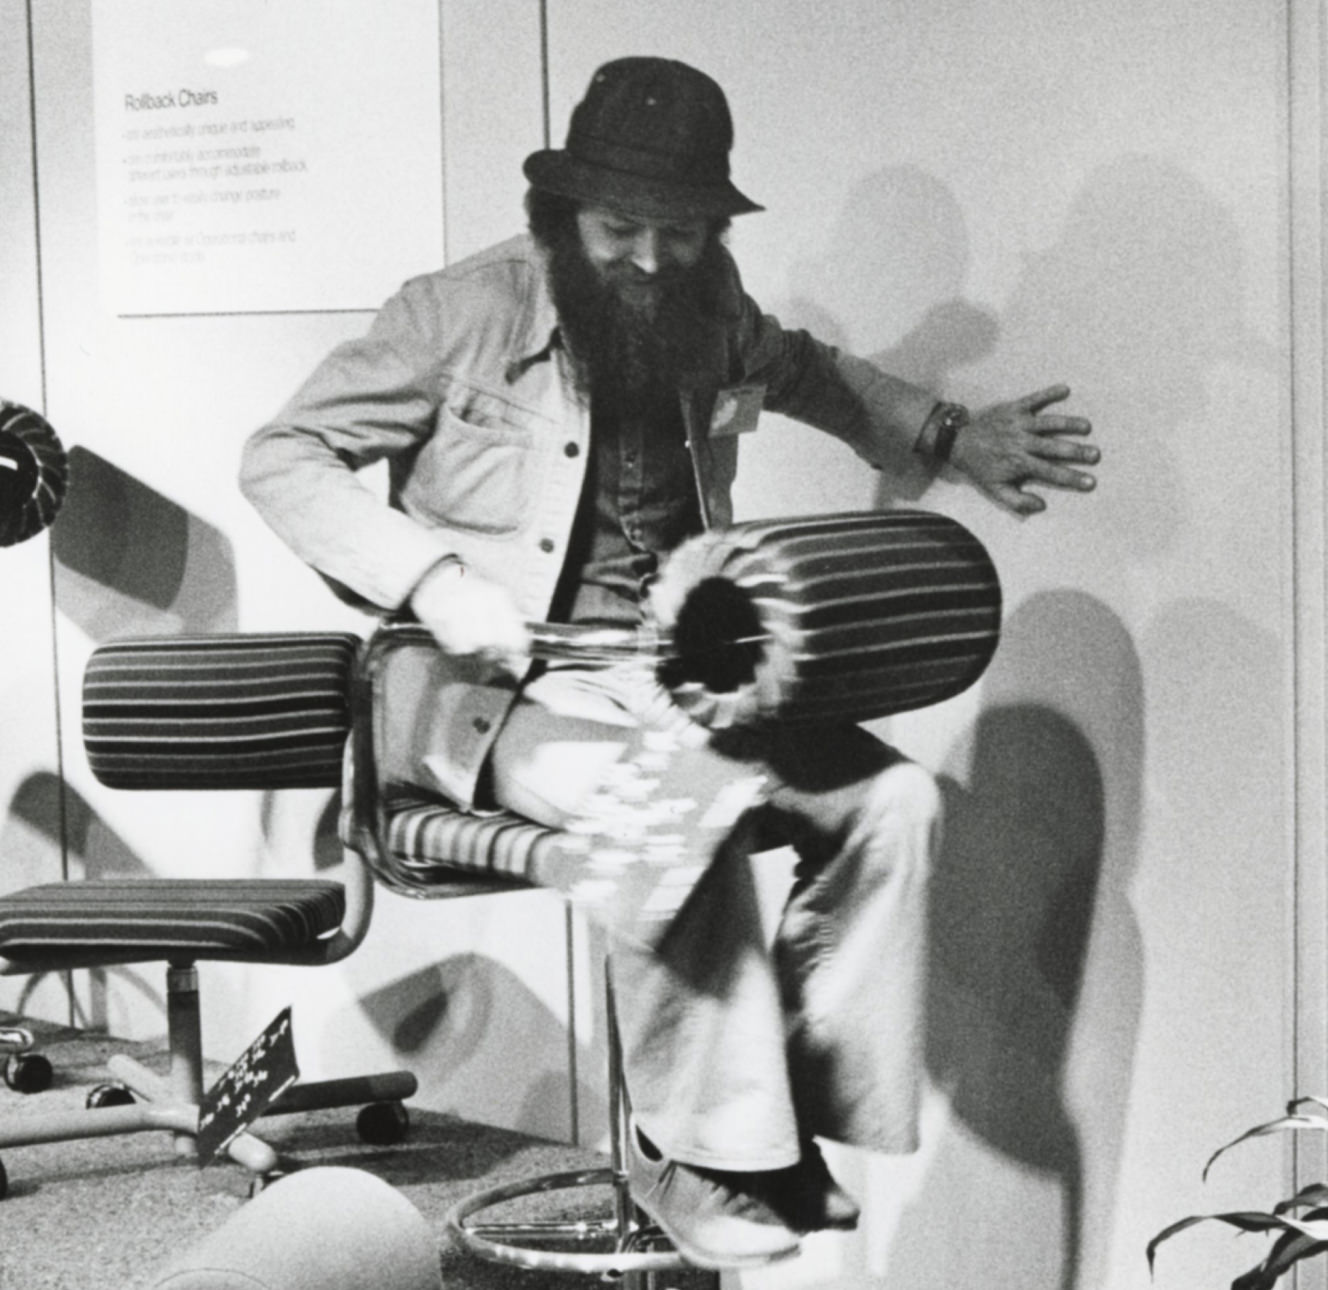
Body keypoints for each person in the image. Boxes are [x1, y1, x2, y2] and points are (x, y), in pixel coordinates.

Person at [240, 56, 1098, 1270]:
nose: (650, 258)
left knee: (893, 803)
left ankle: (786, 1133)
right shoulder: (455, 314)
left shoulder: (709, 306)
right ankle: (696, 1155)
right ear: (563, 214)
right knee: (672, 810)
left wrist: (950, 435)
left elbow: (805, 371)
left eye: (681, 231)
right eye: (621, 228)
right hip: (487, 695)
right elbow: (282, 460)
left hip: (672, 679)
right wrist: (435, 581)